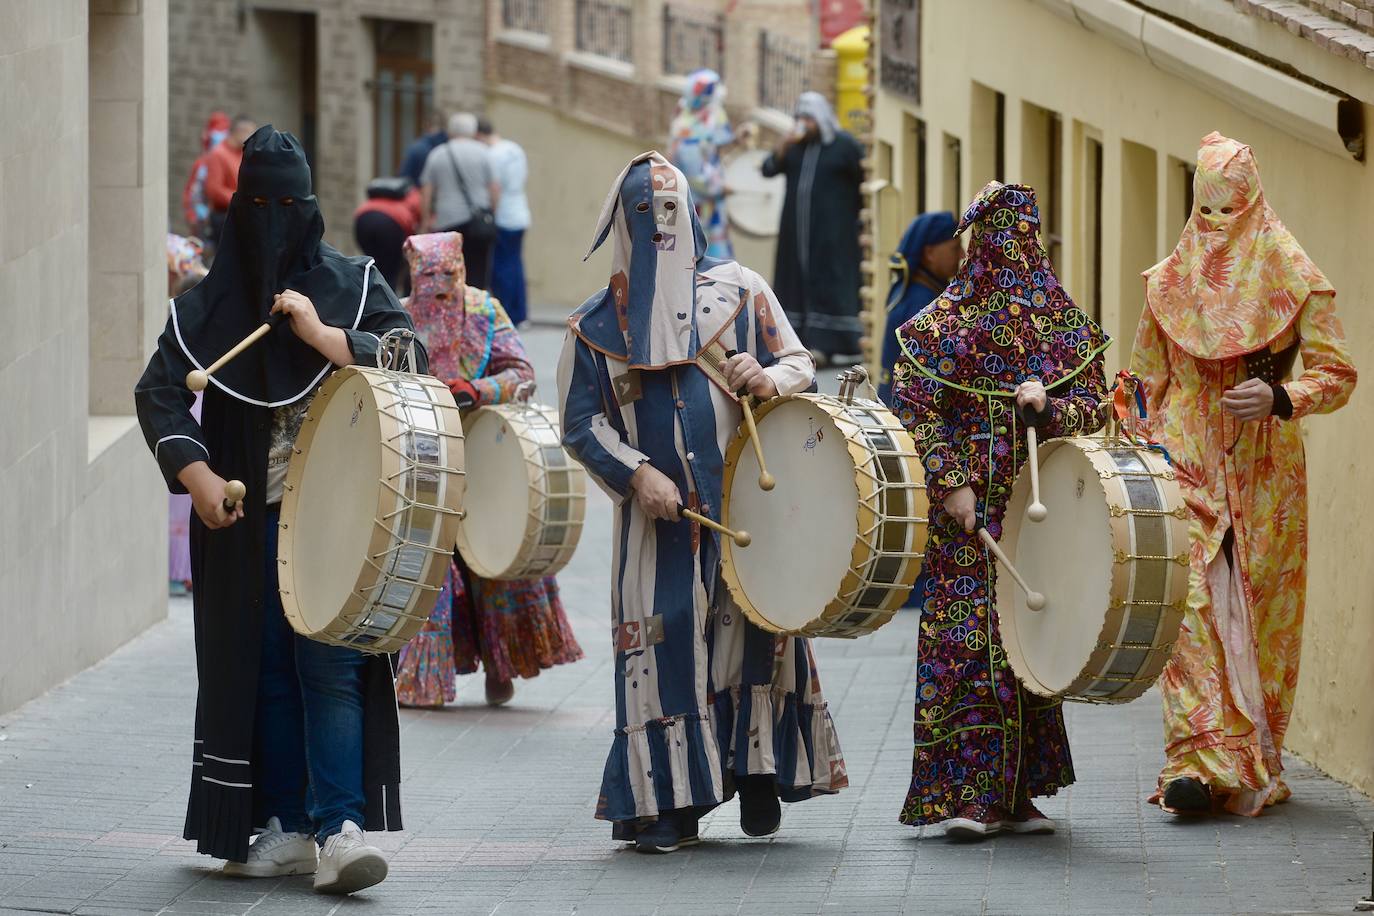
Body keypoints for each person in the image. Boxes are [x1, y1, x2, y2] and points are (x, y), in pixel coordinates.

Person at [135, 126, 424, 895]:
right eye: (259, 205)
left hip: (343, 517)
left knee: (329, 666)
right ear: (237, 213)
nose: (275, 219)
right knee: (262, 667)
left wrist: (325, 335)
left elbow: (409, 359)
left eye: (287, 204)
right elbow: (158, 394)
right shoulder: (203, 311)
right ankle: (289, 827)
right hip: (246, 523)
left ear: (311, 207)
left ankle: (340, 828)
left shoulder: (354, 283)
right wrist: (195, 475)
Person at [557, 152, 848, 855]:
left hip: (748, 508)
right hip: (656, 528)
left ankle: (758, 776)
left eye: (670, 210)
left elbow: (802, 362)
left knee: (757, 637)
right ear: (622, 223)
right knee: (664, 647)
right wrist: (634, 475)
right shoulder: (593, 327)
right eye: (644, 213)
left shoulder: (743, 292)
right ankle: (669, 807)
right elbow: (579, 423)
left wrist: (769, 376)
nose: (660, 227)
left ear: (689, 212)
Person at [1130, 133, 1357, 818]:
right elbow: (1142, 380)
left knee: (1259, 621)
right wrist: (1135, 444)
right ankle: (1193, 764)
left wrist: (1281, 397)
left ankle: (1252, 759)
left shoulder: (1294, 272)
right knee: (1189, 612)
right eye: (1207, 213)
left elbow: (1337, 372)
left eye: (1229, 212)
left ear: (1253, 201)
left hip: (1265, 478)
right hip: (1186, 466)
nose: (1217, 228)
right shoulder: (1169, 280)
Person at [890, 181, 1110, 840]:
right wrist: (950, 483)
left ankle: (1016, 794)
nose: (1007, 254)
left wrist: (1052, 408)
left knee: (1026, 642)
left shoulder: (1058, 321)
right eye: (995, 240)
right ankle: (965, 794)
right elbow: (915, 405)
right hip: (965, 520)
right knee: (965, 645)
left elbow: (1099, 403)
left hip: (1033, 513)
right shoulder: (938, 325)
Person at [394, 231, 583, 708]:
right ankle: (423, 677)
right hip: (423, 458)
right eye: (428, 279)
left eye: (447, 278)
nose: (438, 289)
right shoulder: (397, 316)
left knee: (495, 559)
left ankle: (504, 663)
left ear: (461, 271)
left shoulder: (484, 311)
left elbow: (521, 372)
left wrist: (478, 389)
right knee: (429, 567)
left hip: (484, 455)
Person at [762, 92, 865, 365]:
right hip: (795, 235)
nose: (804, 124)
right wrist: (783, 145)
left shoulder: (843, 145)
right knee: (794, 283)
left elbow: (862, 181)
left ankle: (830, 344)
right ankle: (799, 344)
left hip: (833, 234)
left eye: (808, 118)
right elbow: (768, 169)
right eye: (800, 118)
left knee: (831, 282)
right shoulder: (795, 147)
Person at [165, 233, 209, 597]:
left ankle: (185, 568)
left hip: (192, 414)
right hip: (196, 414)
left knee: (183, 502)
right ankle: (187, 569)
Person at [878, 211, 959, 404]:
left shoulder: (917, 291)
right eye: (955, 248)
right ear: (930, 253)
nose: (963, 254)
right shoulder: (922, 303)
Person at [419, 112, 499, 290]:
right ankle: (473, 310)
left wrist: (425, 221)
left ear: (450, 131)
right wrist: (493, 212)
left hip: (448, 220)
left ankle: (452, 312)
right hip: (478, 222)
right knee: (478, 272)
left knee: (449, 272)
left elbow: (427, 191)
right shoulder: (484, 153)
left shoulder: (438, 154)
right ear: (473, 131)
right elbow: (494, 187)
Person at [667, 69, 735, 260]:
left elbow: (714, 148)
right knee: (704, 261)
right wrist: (721, 187)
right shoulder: (688, 130)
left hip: (707, 207)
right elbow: (696, 173)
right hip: (698, 208)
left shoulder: (694, 114)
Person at [477, 118, 532, 325]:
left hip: (504, 216)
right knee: (516, 264)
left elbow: (495, 188)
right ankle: (520, 313)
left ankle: (506, 314)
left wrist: (492, 212)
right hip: (520, 212)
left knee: (501, 268)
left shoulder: (492, 155)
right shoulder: (514, 149)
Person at [353, 180, 422, 291]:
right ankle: (385, 303)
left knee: (371, 264)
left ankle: (366, 296)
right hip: (391, 224)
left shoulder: (382, 196)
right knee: (390, 272)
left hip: (363, 219)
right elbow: (415, 227)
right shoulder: (416, 194)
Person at [203, 115, 258, 249]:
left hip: (242, 214)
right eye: (251, 133)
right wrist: (245, 199)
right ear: (240, 131)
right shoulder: (218, 154)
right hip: (225, 217)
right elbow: (214, 190)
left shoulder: (244, 153)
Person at [181, 111, 230, 239]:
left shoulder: (227, 160)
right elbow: (192, 192)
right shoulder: (201, 164)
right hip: (202, 221)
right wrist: (192, 215)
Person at [399, 110, 448, 187]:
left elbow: (404, 177)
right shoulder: (451, 148)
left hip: (420, 194)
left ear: (425, 125)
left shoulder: (416, 149)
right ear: (445, 126)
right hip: (446, 196)